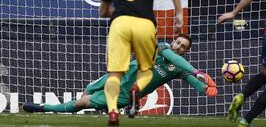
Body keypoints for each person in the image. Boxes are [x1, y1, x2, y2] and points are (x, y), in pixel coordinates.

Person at [23, 34, 218, 116]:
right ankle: (109, 109)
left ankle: (42, 108)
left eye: (183, 47)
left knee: (81, 104)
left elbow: (193, 80)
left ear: (186, 51)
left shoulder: (180, 68)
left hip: (124, 92)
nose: (178, 47)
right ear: (173, 42)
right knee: (87, 92)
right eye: (178, 43)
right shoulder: (163, 48)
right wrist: (198, 71)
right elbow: (177, 61)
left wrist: (207, 88)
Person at [99, 0, 183, 125]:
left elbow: (103, 12)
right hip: (144, 24)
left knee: (114, 75)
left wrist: (119, 12)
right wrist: (178, 13)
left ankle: (113, 111)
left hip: (119, 24)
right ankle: (137, 87)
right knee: (146, 71)